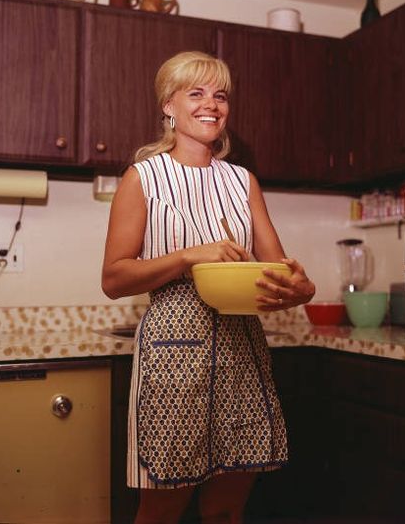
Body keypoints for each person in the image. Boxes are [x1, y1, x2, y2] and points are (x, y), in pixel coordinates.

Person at [102, 51, 315, 524]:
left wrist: (299, 287)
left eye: (221, 95)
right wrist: (187, 256)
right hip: (173, 354)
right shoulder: (144, 178)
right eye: (196, 93)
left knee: (225, 507)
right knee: (163, 507)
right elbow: (113, 278)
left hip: (243, 348)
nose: (211, 104)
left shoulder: (243, 182)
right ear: (169, 106)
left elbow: (276, 269)